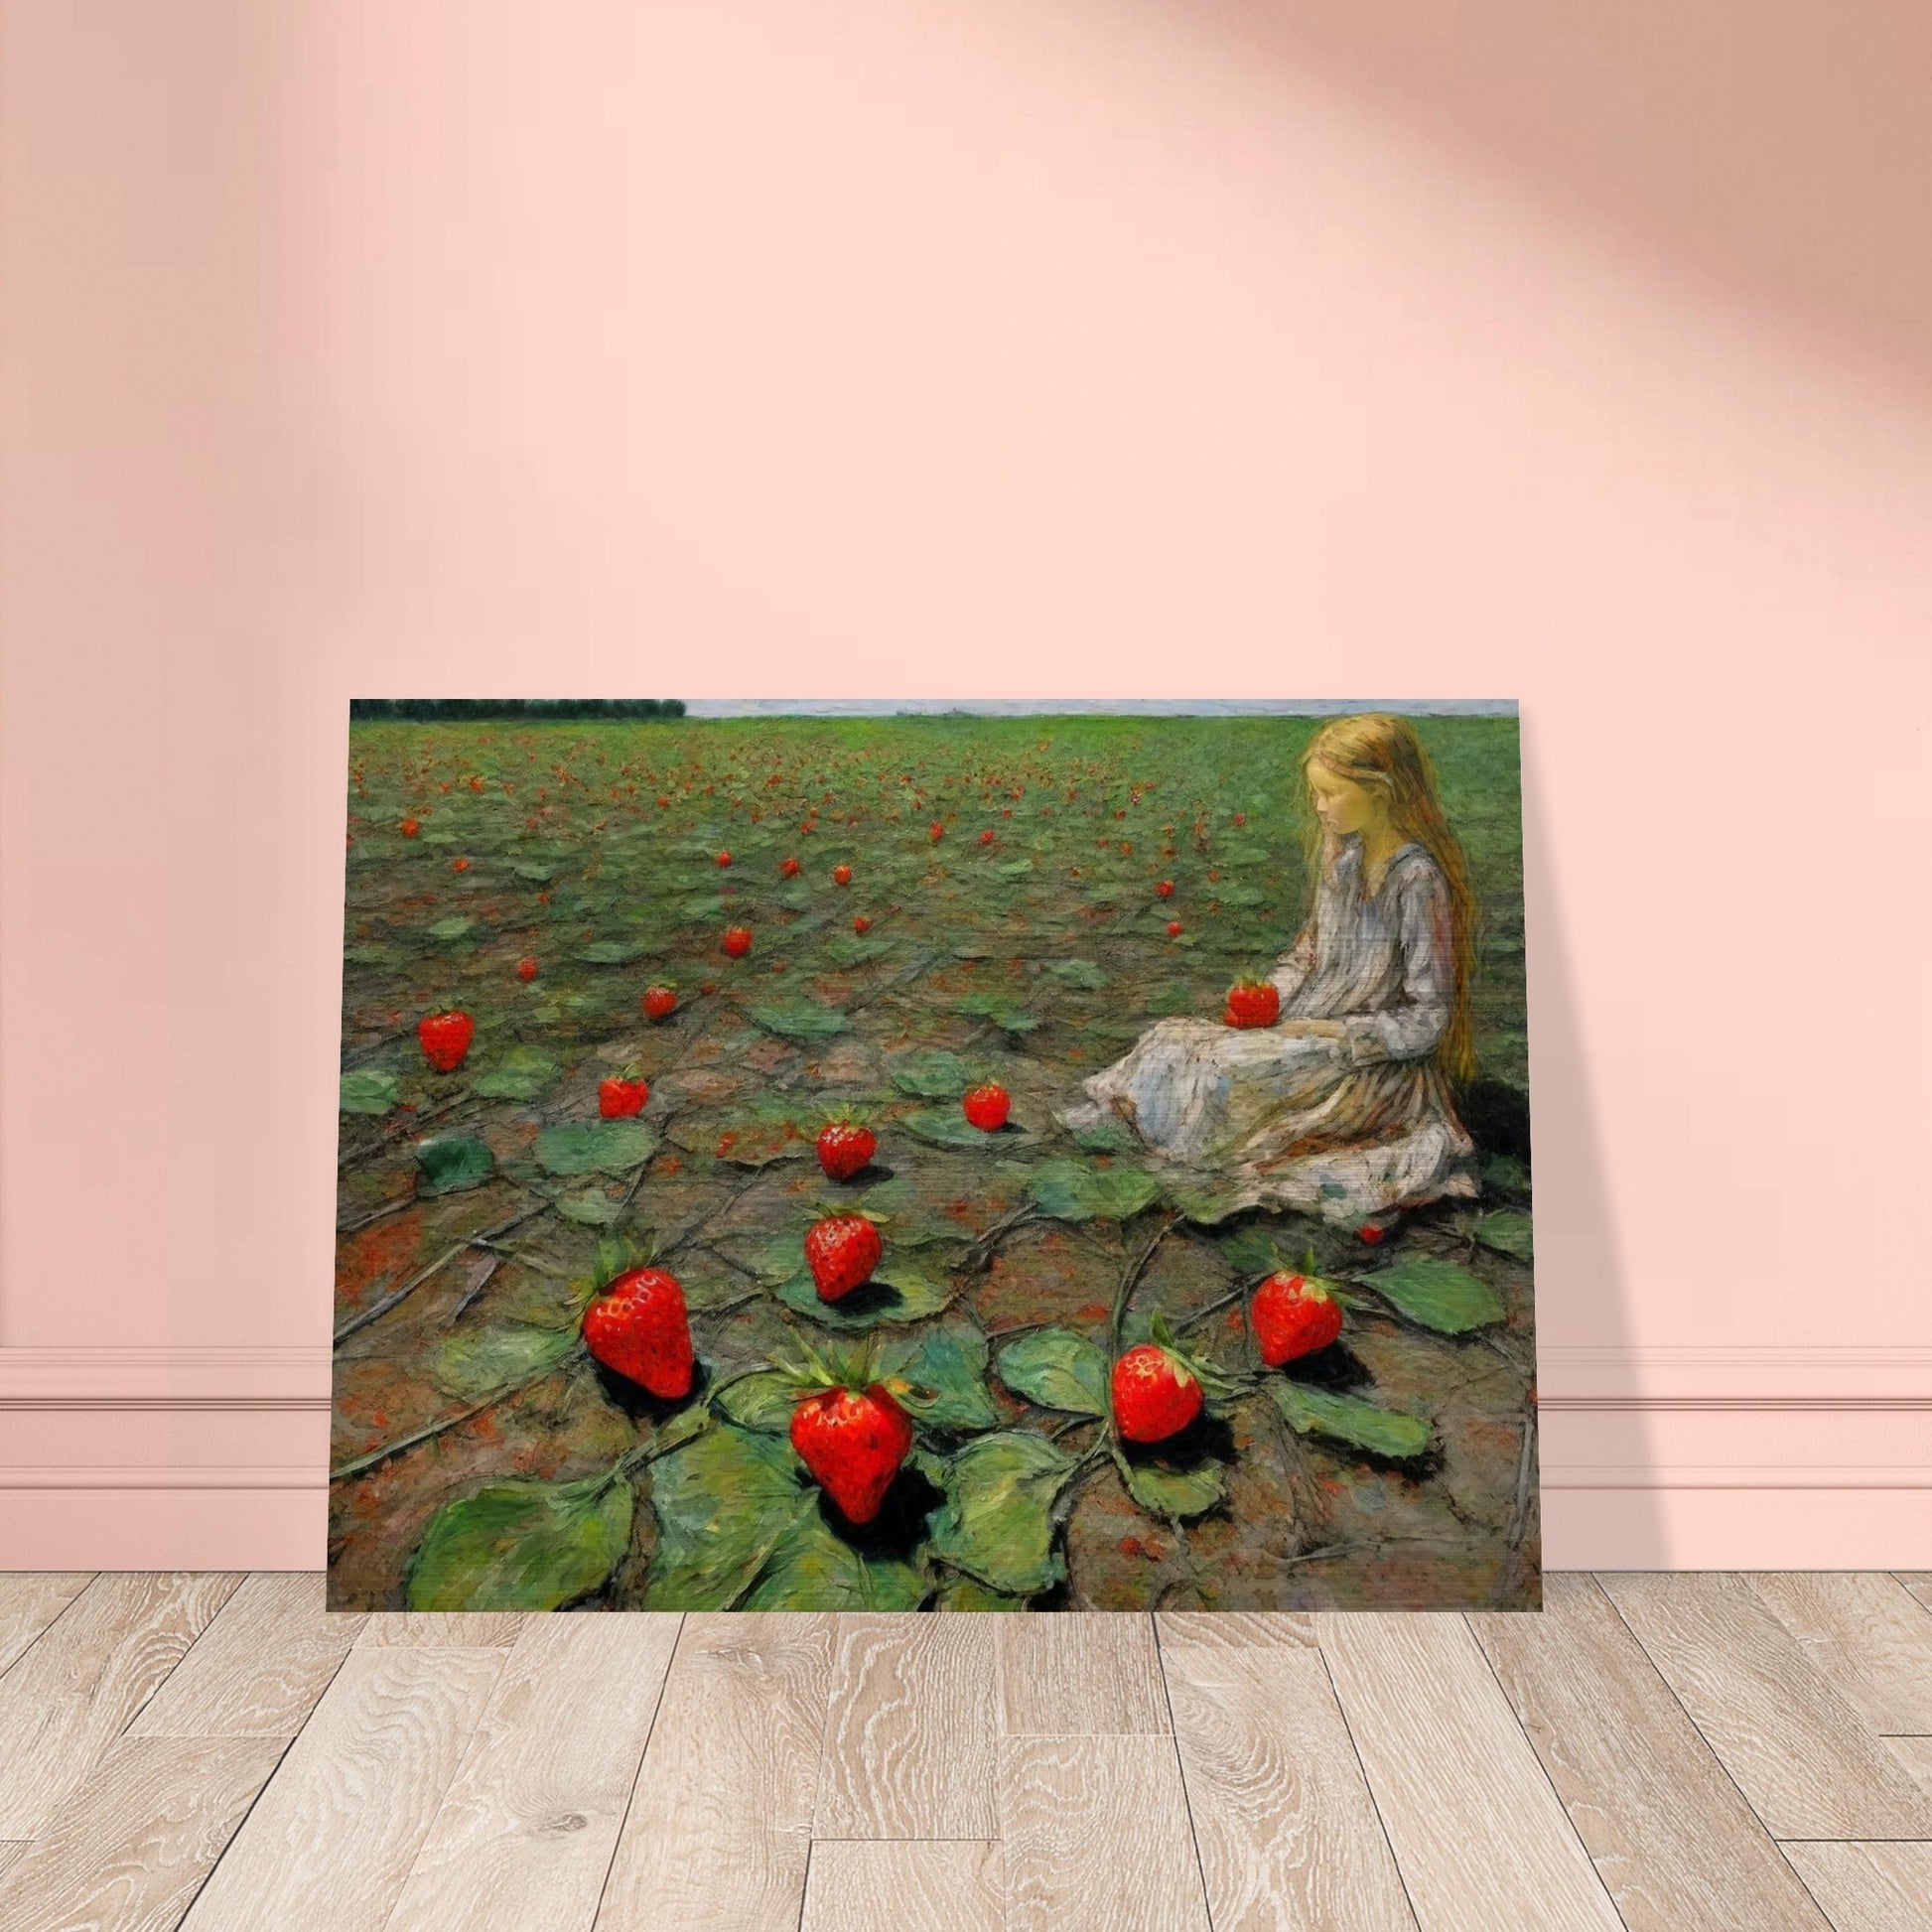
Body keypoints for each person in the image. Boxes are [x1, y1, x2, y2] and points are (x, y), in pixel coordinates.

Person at [1057, 712, 1482, 1228]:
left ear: (1382, 792)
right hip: (1305, 1030)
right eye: (1317, 795)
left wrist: (1332, 1032)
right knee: (1170, 1039)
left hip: (1367, 1064)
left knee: (1223, 1074)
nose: (1321, 808)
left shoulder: (1416, 880)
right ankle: (1152, 1125)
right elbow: (1309, 954)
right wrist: (1269, 1000)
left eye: (1331, 793)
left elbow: (1427, 1020)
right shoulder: (1343, 861)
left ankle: (1188, 1151)